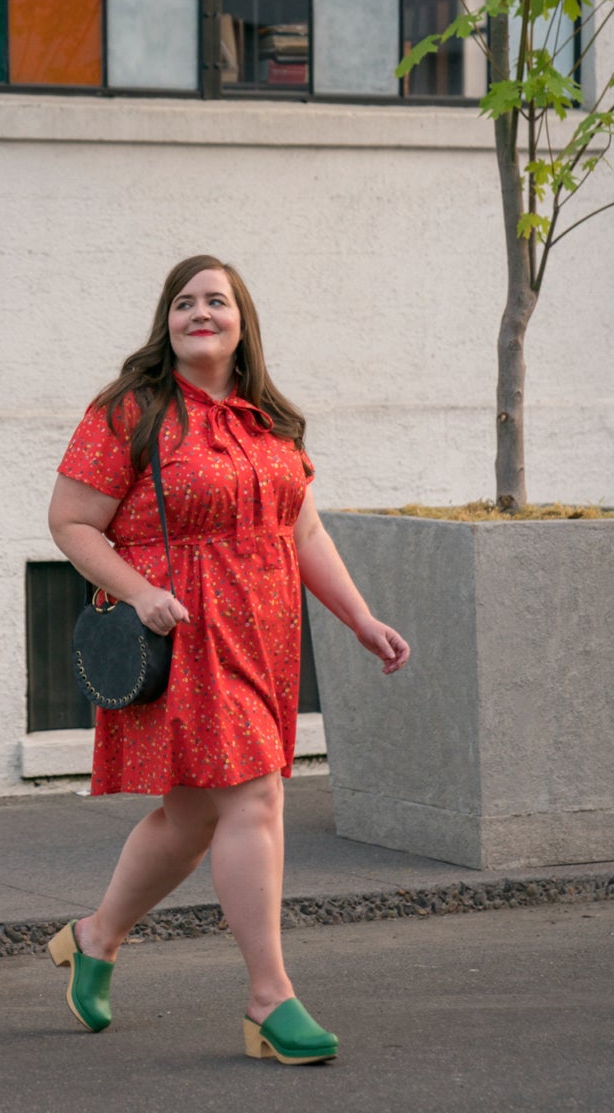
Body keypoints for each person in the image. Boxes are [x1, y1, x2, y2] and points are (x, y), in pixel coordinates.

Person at [45, 254, 410, 1065]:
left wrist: (358, 617)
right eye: (184, 302)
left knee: (193, 815)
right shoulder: (130, 411)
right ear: (165, 321)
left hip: (264, 634)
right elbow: (71, 522)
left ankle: (95, 936)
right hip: (185, 634)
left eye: (217, 300)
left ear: (242, 321)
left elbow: (303, 531)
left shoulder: (266, 419)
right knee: (254, 798)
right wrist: (139, 592)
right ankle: (268, 1000)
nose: (199, 312)